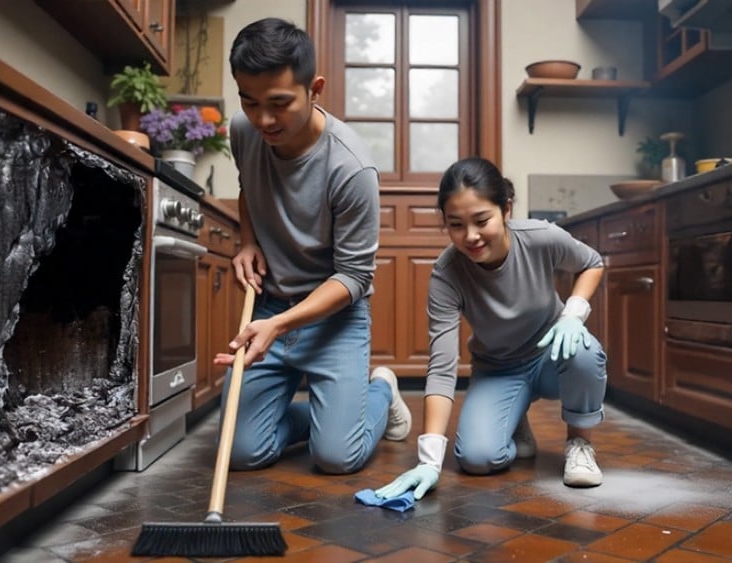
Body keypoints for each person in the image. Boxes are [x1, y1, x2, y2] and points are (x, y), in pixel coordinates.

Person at [212, 17, 411, 474]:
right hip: (270, 306)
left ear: (314, 89)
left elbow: (355, 277)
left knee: (337, 458)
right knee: (241, 453)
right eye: (249, 101)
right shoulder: (243, 130)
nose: (263, 119)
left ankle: (381, 391)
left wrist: (280, 325)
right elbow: (248, 187)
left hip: (334, 320)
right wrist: (247, 242)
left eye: (279, 104)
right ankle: (328, 420)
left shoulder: (351, 168)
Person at [375, 156, 607, 500]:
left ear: (506, 209)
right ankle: (513, 419)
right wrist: (429, 461)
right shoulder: (446, 275)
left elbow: (591, 263)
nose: (471, 236)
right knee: (477, 458)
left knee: (585, 350)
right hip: (499, 369)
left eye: (482, 220)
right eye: (456, 224)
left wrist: (573, 315)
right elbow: (441, 368)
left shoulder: (540, 237)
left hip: (552, 354)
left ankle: (580, 444)